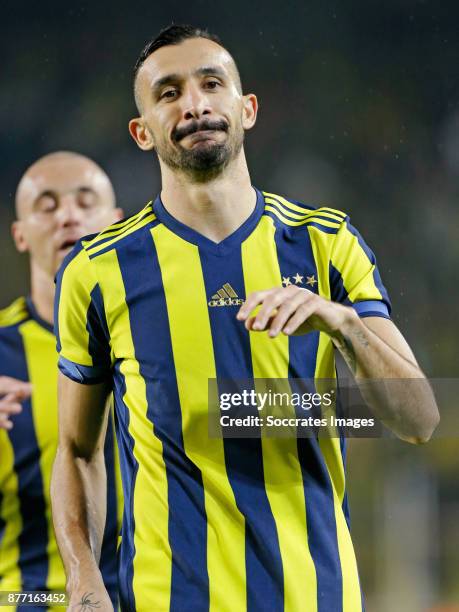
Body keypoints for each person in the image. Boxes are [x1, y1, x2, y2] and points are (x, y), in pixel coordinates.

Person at [52, 25, 439, 612]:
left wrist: (344, 325)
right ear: (141, 131)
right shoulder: (97, 272)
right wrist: (83, 581)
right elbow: (79, 452)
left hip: (318, 597)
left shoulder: (326, 243)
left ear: (247, 108)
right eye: (168, 92)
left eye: (212, 84)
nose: (195, 103)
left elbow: (419, 420)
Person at [0, 151, 123, 610]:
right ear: (20, 234)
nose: (68, 216)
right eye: (47, 206)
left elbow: (357, 411)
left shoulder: (160, 335)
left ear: (115, 223)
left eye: (84, 201)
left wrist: (345, 399)